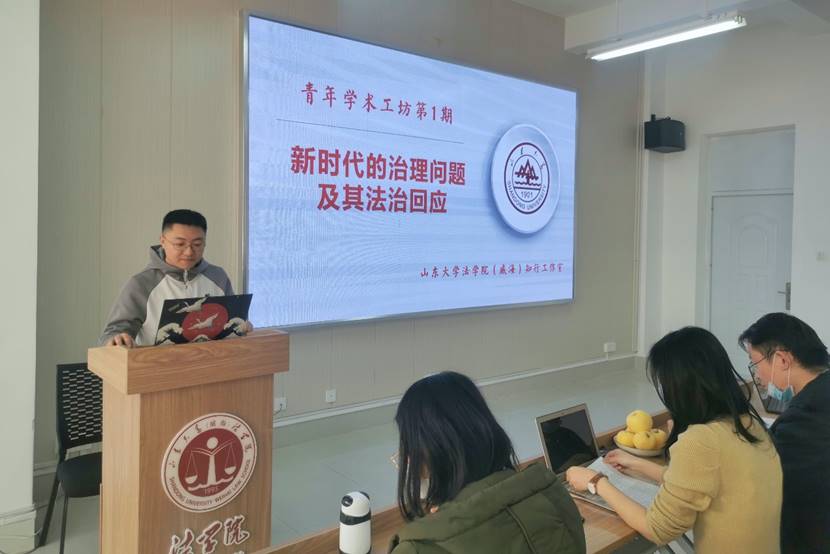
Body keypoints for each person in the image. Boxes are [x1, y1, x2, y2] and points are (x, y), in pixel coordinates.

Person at [566, 327, 781, 554]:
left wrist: (596, 482)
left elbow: (657, 529)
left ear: (680, 387)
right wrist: (638, 464)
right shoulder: (750, 424)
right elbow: (700, 480)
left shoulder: (700, 440)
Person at [388, 371, 586, 554]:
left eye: (407, 440)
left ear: (432, 449)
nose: (406, 457)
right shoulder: (551, 489)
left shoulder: (415, 548)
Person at [740, 312, 830, 554]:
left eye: (755, 364)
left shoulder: (804, 418)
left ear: (781, 360)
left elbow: (757, 479)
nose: (757, 376)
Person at [98, 209, 235, 347]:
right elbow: (113, 333)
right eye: (180, 244)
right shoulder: (142, 283)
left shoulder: (218, 277)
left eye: (197, 244)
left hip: (211, 359)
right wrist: (116, 339)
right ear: (162, 241)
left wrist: (240, 329)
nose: (189, 252)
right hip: (156, 360)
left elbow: (230, 323)